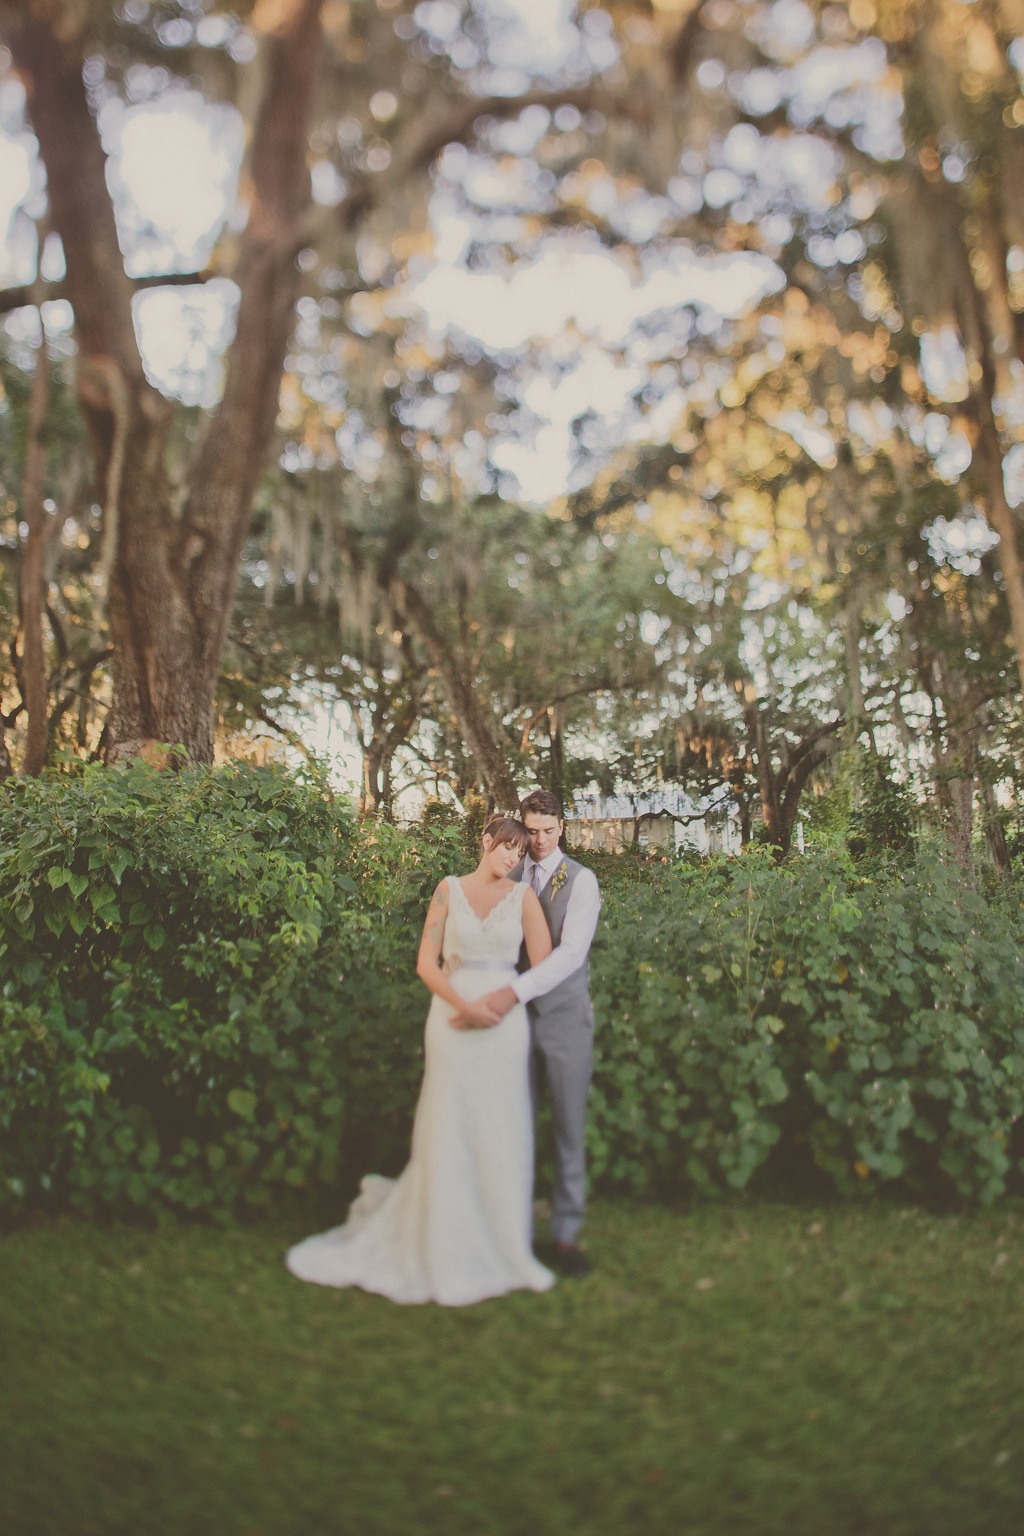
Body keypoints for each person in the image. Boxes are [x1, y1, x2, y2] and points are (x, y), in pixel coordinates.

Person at [285, 816, 557, 1307]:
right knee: (448, 1123)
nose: (512, 858)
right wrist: (464, 1005)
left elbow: (543, 968)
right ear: (486, 842)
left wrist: (497, 1005)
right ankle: (440, 1237)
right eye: (506, 848)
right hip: (450, 1019)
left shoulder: (525, 899)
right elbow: (424, 962)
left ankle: (500, 1240)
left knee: (497, 1125)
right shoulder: (447, 890)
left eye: (519, 853)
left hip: (503, 1024)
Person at [476, 790, 601, 1279]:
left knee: (568, 1127)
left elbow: (571, 956)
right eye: (532, 831)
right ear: (522, 828)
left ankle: (566, 1235)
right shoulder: (511, 873)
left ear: (562, 829)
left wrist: (514, 992)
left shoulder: (582, 882)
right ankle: (515, 1230)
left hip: (564, 1018)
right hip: (514, 1023)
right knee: (516, 1123)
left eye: (549, 831)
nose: (541, 840)